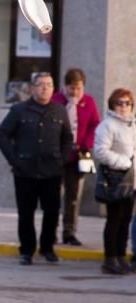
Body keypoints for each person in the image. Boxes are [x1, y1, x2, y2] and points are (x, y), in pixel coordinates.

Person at [0, 72, 73, 265]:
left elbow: (67, 138)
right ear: (32, 88)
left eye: (49, 84)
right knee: (26, 213)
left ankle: (47, 248)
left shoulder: (60, 111)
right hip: (25, 171)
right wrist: (14, 160)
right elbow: (2, 135)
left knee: (52, 212)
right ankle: (27, 251)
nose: (45, 88)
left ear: (54, 88)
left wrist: (62, 160)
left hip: (51, 171)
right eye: (41, 84)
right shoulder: (19, 110)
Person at [52, 68, 100, 245]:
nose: (75, 92)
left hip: (77, 156)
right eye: (72, 88)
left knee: (73, 197)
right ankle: (51, 232)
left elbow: (95, 124)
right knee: (54, 196)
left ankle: (69, 232)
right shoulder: (57, 100)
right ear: (65, 86)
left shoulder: (88, 102)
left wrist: (87, 144)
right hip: (57, 155)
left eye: (79, 88)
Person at [94, 88, 136, 275]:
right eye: (120, 103)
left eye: (127, 103)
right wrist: (123, 162)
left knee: (126, 220)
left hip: (131, 179)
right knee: (114, 220)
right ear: (113, 104)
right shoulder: (107, 125)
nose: (124, 107)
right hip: (115, 178)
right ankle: (110, 259)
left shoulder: (133, 124)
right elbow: (101, 152)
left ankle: (120, 256)